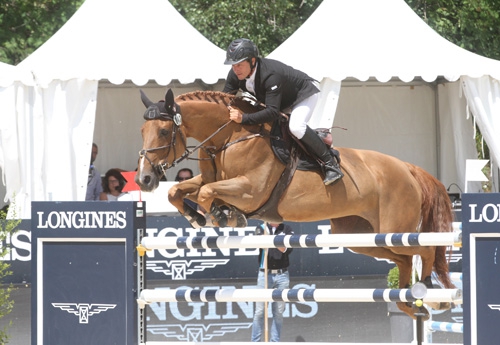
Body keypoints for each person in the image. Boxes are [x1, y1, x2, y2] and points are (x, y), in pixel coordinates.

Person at [223, 38, 343, 185]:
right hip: (281, 99)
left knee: (296, 127)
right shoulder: (235, 75)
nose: (236, 70)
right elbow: (225, 100)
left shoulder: (270, 75)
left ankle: (330, 163)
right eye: (233, 65)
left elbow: (272, 112)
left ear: (252, 61)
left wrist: (244, 118)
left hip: (303, 93)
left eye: (239, 65)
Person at [251, 222, 294, 342]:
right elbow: (258, 244)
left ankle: (275, 342)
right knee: (259, 312)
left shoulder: (287, 228)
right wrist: (268, 239)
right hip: (265, 273)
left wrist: (270, 239)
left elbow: (285, 249)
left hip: (282, 274)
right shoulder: (261, 228)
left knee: (279, 312)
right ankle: (255, 342)